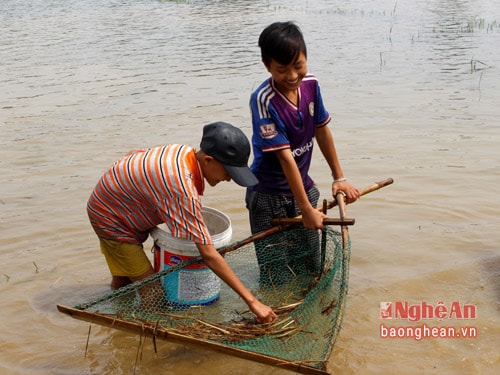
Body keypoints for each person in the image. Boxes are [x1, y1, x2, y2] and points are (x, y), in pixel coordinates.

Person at [87, 121, 277, 323]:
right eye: (228, 173)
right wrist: (252, 302)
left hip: (110, 205)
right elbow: (209, 254)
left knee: (126, 280)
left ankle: (115, 325)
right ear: (208, 161)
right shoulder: (181, 187)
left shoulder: (184, 153)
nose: (229, 179)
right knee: (153, 295)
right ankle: (145, 332)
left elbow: (134, 154)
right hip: (112, 222)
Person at [246, 21, 360, 281]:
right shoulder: (263, 99)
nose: (292, 76)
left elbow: (321, 129)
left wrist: (339, 178)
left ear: (306, 59)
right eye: (282, 70)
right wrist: (306, 208)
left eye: (298, 66)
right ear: (267, 66)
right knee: (276, 275)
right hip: (268, 195)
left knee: (310, 267)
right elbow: (285, 158)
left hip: (303, 188)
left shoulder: (311, 84)